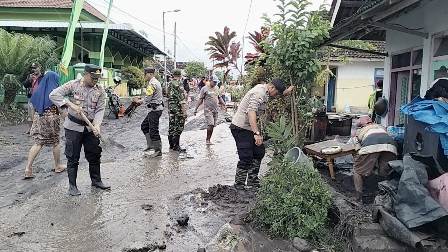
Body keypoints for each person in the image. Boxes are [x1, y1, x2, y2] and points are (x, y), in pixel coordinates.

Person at [49, 64, 110, 196]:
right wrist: (69, 104)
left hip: (90, 128)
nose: (95, 80)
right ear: (85, 74)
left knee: (94, 154)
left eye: (97, 78)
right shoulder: (73, 85)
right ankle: (72, 186)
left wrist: (97, 125)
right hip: (73, 127)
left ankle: (96, 181)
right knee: (73, 156)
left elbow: (100, 110)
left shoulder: (100, 90)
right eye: (93, 77)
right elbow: (53, 95)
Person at [230, 79, 286, 190]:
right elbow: (251, 112)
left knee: (259, 152)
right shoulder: (258, 93)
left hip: (250, 127)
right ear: (272, 87)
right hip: (241, 127)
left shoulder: (266, 91)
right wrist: (256, 133)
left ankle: (252, 180)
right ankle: (239, 185)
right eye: (276, 93)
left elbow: (278, 93)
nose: (276, 96)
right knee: (246, 156)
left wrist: (287, 91)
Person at [24, 71, 66, 179]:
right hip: (51, 118)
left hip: (39, 117)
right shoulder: (55, 92)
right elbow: (61, 109)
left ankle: (28, 169)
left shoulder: (39, 90)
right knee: (56, 143)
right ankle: (57, 166)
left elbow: (33, 106)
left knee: (38, 143)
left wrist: (34, 121)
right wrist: (66, 119)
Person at [352, 116, 397, 202]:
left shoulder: (360, 130)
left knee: (357, 170)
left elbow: (356, 145)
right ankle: (385, 197)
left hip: (371, 144)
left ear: (362, 122)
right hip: (391, 146)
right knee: (385, 172)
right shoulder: (380, 126)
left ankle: (358, 198)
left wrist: (359, 158)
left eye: (359, 120)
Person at [194, 76, 226, 145]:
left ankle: (209, 139)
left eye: (216, 82)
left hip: (215, 110)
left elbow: (219, 97)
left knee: (213, 125)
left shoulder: (217, 88)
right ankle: (207, 140)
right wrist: (196, 109)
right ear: (210, 80)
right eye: (214, 82)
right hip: (208, 110)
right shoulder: (204, 89)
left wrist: (224, 104)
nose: (215, 83)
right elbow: (200, 99)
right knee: (210, 124)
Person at [141, 68, 164, 158]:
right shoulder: (154, 82)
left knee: (153, 130)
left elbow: (148, 98)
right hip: (154, 109)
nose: (144, 76)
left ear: (149, 74)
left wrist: (140, 101)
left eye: (145, 74)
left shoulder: (152, 83)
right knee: (144, 126)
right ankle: (151, 145)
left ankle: (158, 150)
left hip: (155, 110)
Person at [168, 69, 187, 152]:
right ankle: (176, 146)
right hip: (178, 108)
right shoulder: (179, 84)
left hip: (171, 108)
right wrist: (184, 112)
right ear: (180, 75)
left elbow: (167, 94)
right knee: (179, 126)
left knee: (171, 125)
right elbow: (182, 100)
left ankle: (171, 145)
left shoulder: (169, 83)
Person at [23, 63, 43, 134]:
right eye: (33, 68)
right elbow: (25, 85)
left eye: (35, 68)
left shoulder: (43, 76)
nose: (34, 69)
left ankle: (38, 129)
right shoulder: (30, 76)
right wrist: (29, 80)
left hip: (40, 98)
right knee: (30, 114)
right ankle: (30, 129)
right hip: (31, 97)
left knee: (39, 114)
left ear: (40, 67)